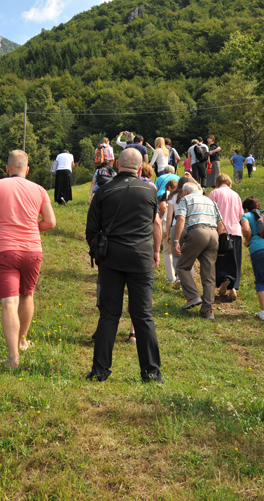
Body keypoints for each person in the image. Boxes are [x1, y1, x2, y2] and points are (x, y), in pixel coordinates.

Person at [85, 148, 164, 382]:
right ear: (140, 169)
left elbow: (91, 230)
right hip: (141, 256)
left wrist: (99, 253)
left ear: (118, 165)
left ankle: (100, 371)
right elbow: (156, 224)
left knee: (109, 315)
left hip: (111, 258)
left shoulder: (104, 191)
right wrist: (156, 251)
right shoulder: (150, 192)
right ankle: (151, 373)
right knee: (143, 315)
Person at [0, 150, 57, 369]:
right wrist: (32, 228)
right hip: (32, 250)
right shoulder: (39, 190)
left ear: (7, 168)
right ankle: (22, 340)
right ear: (27, 170)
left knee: (9, 303)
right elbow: (50, 222)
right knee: (27, 295)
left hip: (5, 250)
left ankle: (13, 357)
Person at [172, 181, 226, 320]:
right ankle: (208, 310)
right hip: (213, 234)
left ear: (186, 191)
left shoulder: (186, 199)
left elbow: (181, 219)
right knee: (209, 275)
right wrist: (222, 243)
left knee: (182, 266)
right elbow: (220, 223)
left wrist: (177, 240)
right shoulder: (210, 201)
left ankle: (193, 296)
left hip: (197, 232)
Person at [209, 173, 244, 302]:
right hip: (235, 230)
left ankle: (222, 280)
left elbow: (211, 212)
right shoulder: (236, 195)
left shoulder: (214, 193)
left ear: (217, 183)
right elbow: (240, 215)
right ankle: (233, 288)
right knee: (234, 260)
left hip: (221, 231)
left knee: (220, 259)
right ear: (229, 183)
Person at [159, 178, 180, 286]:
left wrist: (164, 217)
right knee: (180, 252)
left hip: (170, 225)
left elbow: (163, 207)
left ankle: (171, 278)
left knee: (168, 252)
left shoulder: (167, 195)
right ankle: (181, 276)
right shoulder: (183, 195)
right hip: (182, 226)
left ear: (169, 187)